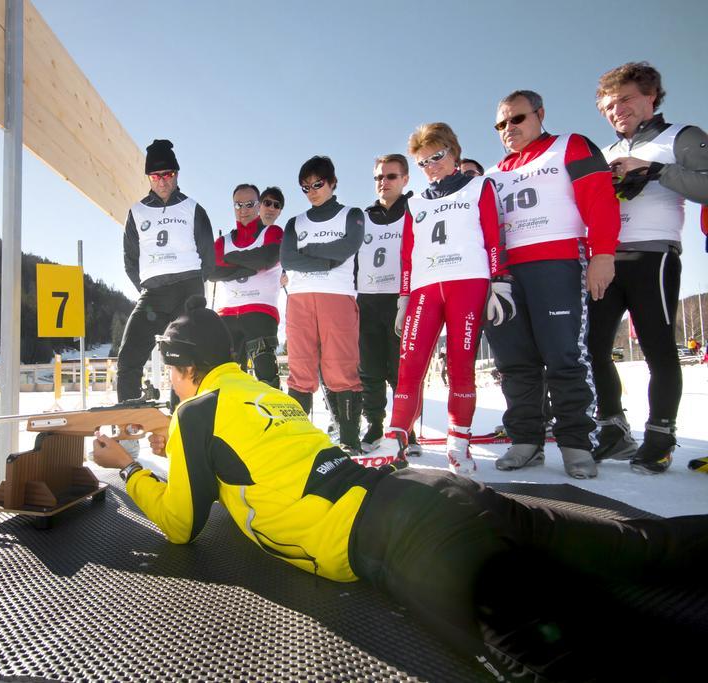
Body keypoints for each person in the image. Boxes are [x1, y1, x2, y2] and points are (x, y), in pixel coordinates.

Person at [92, 296, 707, 683]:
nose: (170, 388)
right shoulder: (269, 393)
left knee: (544, 664)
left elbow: (181, 524)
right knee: (641, 544)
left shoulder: (199, 411)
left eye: (168, 375)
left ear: (182, 369)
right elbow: (261, 459)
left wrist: (126, 467)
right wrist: (171, 444)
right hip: (436, 492)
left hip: (409, 543)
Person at [486, 90, 620, 479]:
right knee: (514, 361)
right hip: (508, 275)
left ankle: (576, 443)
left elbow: (600, 199)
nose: (509, 129)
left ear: (540, 114)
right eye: (501, 124)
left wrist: (603, 253)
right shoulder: (494, 173)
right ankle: (526, 440)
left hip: (557, 264)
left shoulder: (569, 146)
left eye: (517, 119)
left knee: (564, 355)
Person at [589, 62, 708, 475]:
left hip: (653, 255)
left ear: (651, 95)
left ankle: (660, 436)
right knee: (593, 348)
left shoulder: (681, 136)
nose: (616, 110)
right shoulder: (604, 153)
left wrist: (654, 170)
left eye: (625, 99)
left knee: (658, 346)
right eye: (608, 105)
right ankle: (613, 429)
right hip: (604, 258)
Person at [370, 123, 505, 475]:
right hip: (425, 289)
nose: (431, 166)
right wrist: (403, 298)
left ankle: (459, 443)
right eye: (423, 162)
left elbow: (494, 237)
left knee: (461, 368)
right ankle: (396, 437)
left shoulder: (480, 185)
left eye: (437, 157)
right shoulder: (415, 203)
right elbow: (407, 254)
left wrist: (499, 282)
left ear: (453, 152)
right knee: (409, 367)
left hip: (467, 284)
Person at [119, 139, 215, 418]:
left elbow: (207, 255)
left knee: (187, 359)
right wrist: (148, 285)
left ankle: (185, 418)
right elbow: (130, 258)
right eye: (156, 175)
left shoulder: (192, 208)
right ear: (149, 177)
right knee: (129, 356)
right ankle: (131, 419)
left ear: (176, 174)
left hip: (188, 290)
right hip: (154, 294)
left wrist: (195, 285)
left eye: (168, 174)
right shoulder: (137, 212)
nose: (162, 181)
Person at [280, 156, 365, 452]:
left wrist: (310, 252)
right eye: (305, 187)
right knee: (300, 369)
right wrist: (324, 258)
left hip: (337, 297)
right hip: (300, 300)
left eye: (317, 184)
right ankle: (297, 442)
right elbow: (288, 258)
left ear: (332, 183)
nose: (312, 191)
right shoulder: (295, 222)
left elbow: (345, 249)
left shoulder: (351, 214)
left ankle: (350, 439)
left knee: (341, 368)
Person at [356, 154, 420, 456]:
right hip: (367, 300)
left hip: (401, 300)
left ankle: (406, 428)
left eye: (391, 176)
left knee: (401, 370)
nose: (384, 182)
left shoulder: (416, 210)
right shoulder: (362, 217)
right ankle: (375, 425)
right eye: (379, 177)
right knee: (369, 369)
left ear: (405, 179)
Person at [208, 183, 284, 388]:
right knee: (225, 378)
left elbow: (266, 259)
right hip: (227, 314)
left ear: (259, 206)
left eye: (249, 204)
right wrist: (248, 265)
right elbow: (211, 271)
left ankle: (272, 417)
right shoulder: (223, 241)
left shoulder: (272, 232)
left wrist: (230, 259)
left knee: (266, 374)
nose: (243, 210)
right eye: (238, 205)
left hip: (260, 309)